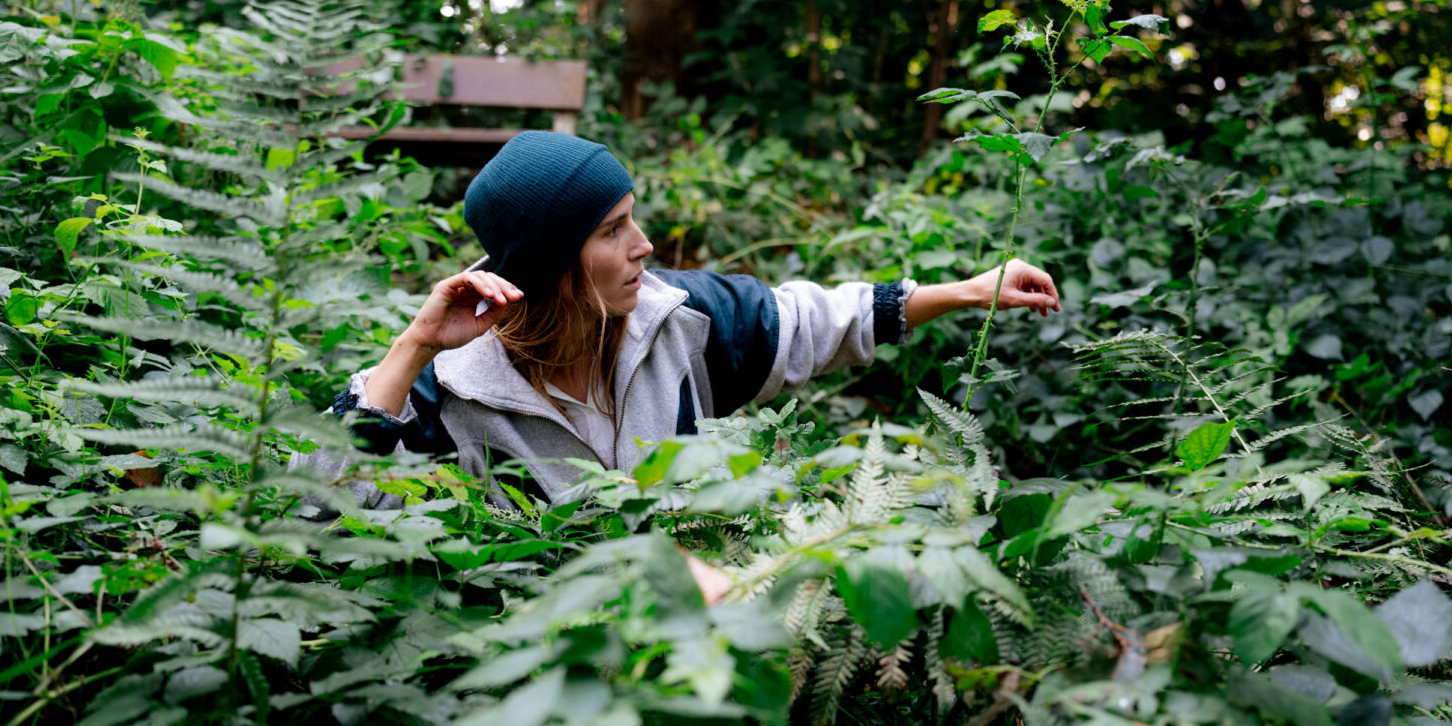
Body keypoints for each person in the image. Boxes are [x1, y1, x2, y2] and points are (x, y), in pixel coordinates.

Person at [321, 131, 1061, 506]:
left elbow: (809, 321)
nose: (644, 246)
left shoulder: (675, 317)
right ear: (553, 261)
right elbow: (320, 512)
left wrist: (967, 291)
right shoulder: (449, 389)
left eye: (633, 218)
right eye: (613, 230)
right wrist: (414, 347)